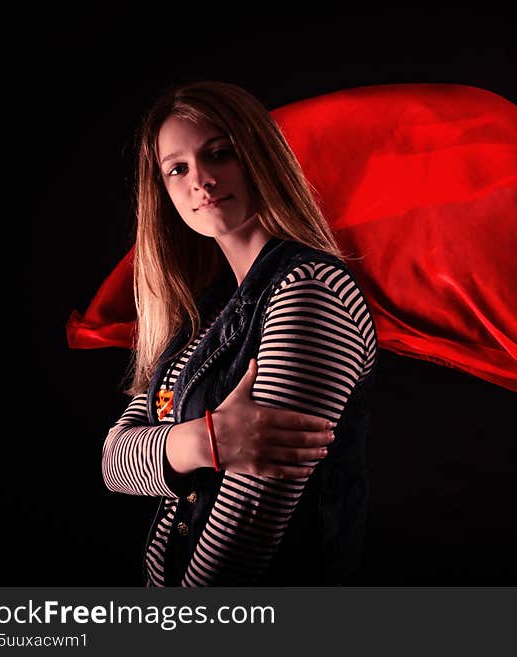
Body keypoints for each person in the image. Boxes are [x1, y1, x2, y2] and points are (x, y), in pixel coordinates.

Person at [100, 80, 379, 587]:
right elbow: (113, 460)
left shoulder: (309, 289)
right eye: (177, 169)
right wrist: (207, 441)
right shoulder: (198, 311)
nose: (200, 181)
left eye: (220, 154)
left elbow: (253, 512)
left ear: (258, 156)